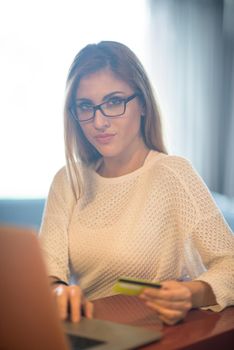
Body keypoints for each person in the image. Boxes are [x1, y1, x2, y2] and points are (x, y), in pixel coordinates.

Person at [39, 41, 234, 326]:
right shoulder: (68, 181)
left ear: (142, 103)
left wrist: (191, 294)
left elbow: (230, 265)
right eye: (85, 106)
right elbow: (47, 273)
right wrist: (57, 291)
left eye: (114, 102)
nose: (99, 121)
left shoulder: (173, 173)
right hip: (89, 334)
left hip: (156, 335)